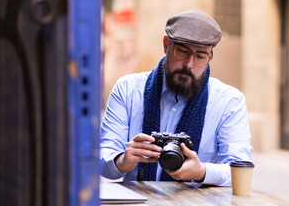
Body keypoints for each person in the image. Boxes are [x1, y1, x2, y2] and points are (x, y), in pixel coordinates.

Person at [100, 10, 253, 186]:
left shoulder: (230, 102)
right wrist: (122, 161)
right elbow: (104, 156)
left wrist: (202, 171)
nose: (189, 64)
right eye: (182, 51)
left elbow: (239, 170)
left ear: (210, 56)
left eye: (200, 56)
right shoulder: (126, 90)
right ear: (166, 45)